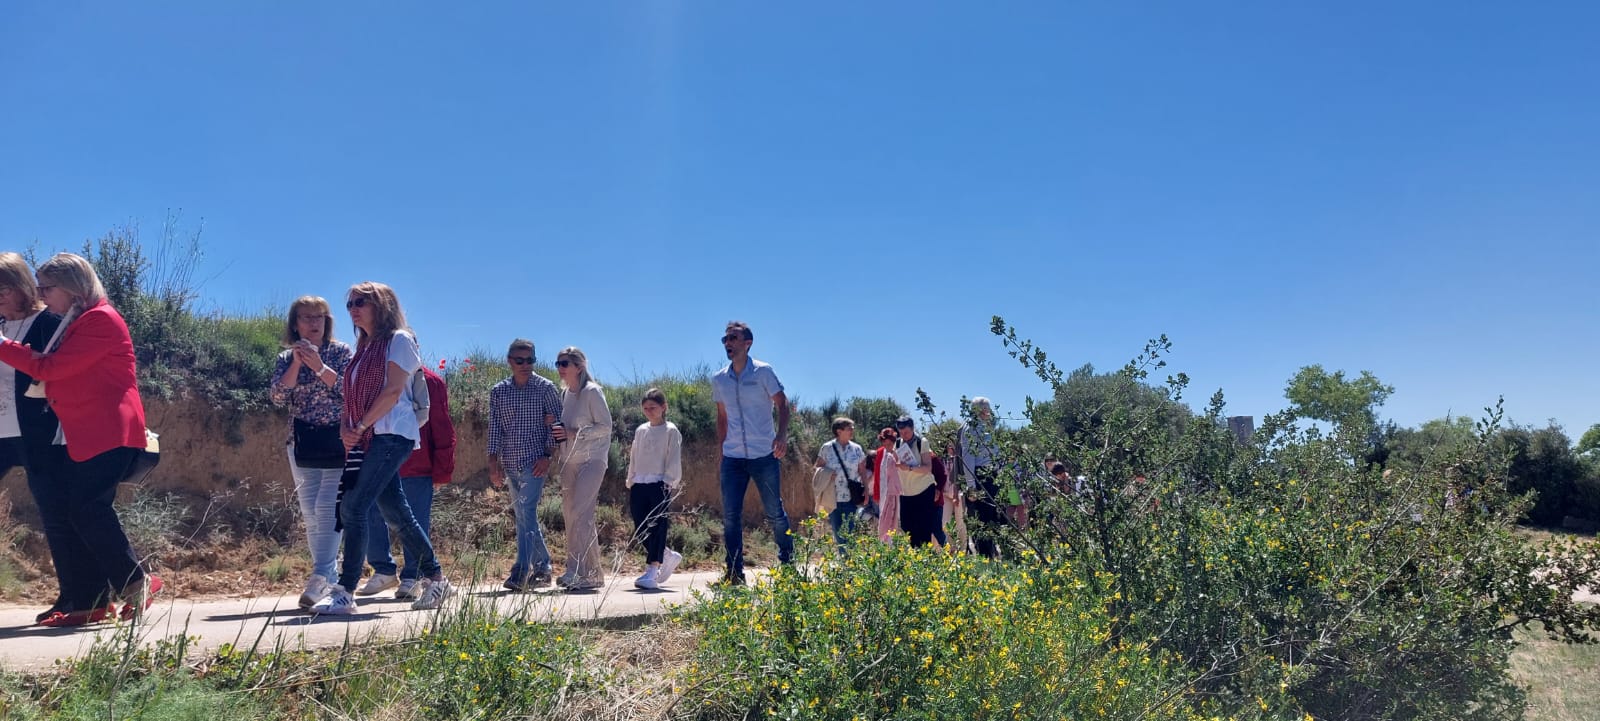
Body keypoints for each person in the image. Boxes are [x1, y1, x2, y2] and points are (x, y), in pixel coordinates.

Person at [0, 252, 160, 622]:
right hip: (90, 431)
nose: (42, 294)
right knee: (82, 510)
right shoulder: (81, 319)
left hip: (109, 429)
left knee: (85, 509)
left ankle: (136, 583)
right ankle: (97, 600)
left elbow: (49, 368)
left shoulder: (99, 320)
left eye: (47, 287)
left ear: (73, 287)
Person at [313, 282, 452, 614]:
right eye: (349, 304)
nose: (353, 308)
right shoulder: (364, 346)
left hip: (392, 434)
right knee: (396, 513)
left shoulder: (400, 340)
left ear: (383, 305)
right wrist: (348, 425)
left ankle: (345, 591)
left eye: (362, 302)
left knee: (354, 506)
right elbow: (350, 391)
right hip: (372, 436)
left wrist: (360, 426)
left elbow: (392, 391)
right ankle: (437, 580)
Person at [0, 254, 73, 624]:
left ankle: (73, 595)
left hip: (37, 431)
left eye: (4, 288)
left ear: (23, 287)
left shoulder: (50, 323)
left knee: (54, 513)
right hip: (0, 432)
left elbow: (55, 373)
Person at [269, 296, 353, 610]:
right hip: (301, 442)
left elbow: (350, 391)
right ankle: (327, 575)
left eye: (319, 317)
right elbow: (278, 396)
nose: (313, 323)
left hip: (336, 439)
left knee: (327, 507)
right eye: (306, 317)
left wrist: (319, 366)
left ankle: (320, 575)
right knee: (310, 513)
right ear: (295, 323)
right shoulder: (285, 357)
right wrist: (296, 363)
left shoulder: (341, 352)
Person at [357, 367, 454, 600]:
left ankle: (413, 577)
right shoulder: (377, 374)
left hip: (417, 467)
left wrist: (442, 472)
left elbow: (442, 428)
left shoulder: (432, 381)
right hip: (380, 462)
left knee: (414, 522)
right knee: (372, 515)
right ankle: (383, 570)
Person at [711, 321, 792, 586]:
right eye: (725, 339)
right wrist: (721, 449)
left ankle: (788, 565)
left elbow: (782, 403)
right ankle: (734, 573)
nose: (728, 343)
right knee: (731, 515)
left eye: (733, 338)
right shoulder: (719, 379)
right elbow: (722, 416)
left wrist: (781, 436)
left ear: (747, 343)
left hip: (763, 455)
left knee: (774, 513)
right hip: (733, 457)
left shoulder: (763, 372)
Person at [486, 338, 562, 591]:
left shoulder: (545, 388)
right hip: (510, 461)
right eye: (520, 360)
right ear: (510, 361)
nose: (525, 365)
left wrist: (547, 456)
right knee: (523, 515)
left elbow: (556, 425)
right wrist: (492, 462)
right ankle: (544, 567)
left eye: (530, 360)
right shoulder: (499, 391)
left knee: (526, 512)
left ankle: (521, 571)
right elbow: (495, 428)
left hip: (534, 461)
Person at [552, 346, 611, 591]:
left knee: (582, 513)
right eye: (558, 363)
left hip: (592, 460)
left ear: (579, 366)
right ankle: (573, 570)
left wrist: (574, 433)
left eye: (564, 363)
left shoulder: (593, 392)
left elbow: (606, 427)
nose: (560, 368)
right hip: (569, 462)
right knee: (569, 514)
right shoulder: (565, 395)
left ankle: (592, 574)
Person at [627, 388, 683, 590]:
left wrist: (670, 480)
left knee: (657, 526)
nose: (649, 411)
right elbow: (634, 454)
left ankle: (652, 570)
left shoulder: (671, 430)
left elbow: (673, 456)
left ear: (663, 407)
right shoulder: (641, 430)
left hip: (660, 482)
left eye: (653, 407)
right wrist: (631, 478)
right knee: (640, 527)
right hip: (639, 482)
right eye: (645, 408)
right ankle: (667, 555)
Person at [814, 417, 869, 554]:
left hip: (851, 497)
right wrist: (826, 473)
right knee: (838, 532)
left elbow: (862, 471)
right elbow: (817, 468)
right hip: (832, 497)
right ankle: (845, 563)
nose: (852, 431)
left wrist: (866, 491)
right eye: (849, 428)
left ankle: (848, 565)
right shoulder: (827, 448)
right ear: (839, 431)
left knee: (849, 532)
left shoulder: (857, 449)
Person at [959, 396, 1003, 559]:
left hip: (992, 476)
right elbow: (968, 457)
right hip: (980, 476)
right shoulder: (970, 428)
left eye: (988, 408)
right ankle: (985, 557)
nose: (988, 411)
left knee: (992, 515)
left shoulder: (988, 427)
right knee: (982, 517)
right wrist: (971, 486)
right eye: (985, 408)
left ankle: (992, 552)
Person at [893, 416, 939, 547]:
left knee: (924, 529)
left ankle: (926, 562)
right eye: (901, 433)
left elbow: (927, 468)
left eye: (906, 432)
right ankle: (914, 560)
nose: (904, 435)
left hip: (923, 490)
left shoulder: (921, 442)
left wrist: (909, 468)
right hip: (906, 492)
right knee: (907, 527)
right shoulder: (898, 444)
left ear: (913, 428)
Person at [871, 427, 902, 543]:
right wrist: (876, 494)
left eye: (890, 443)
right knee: (884, 518)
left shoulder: (898, 452)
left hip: (897, 492)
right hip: (884, 492)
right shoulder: (880, 452)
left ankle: (893, 544)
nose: (887, 445)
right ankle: (884, 543)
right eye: (885, 443)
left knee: (895, 518)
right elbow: (877, 473)